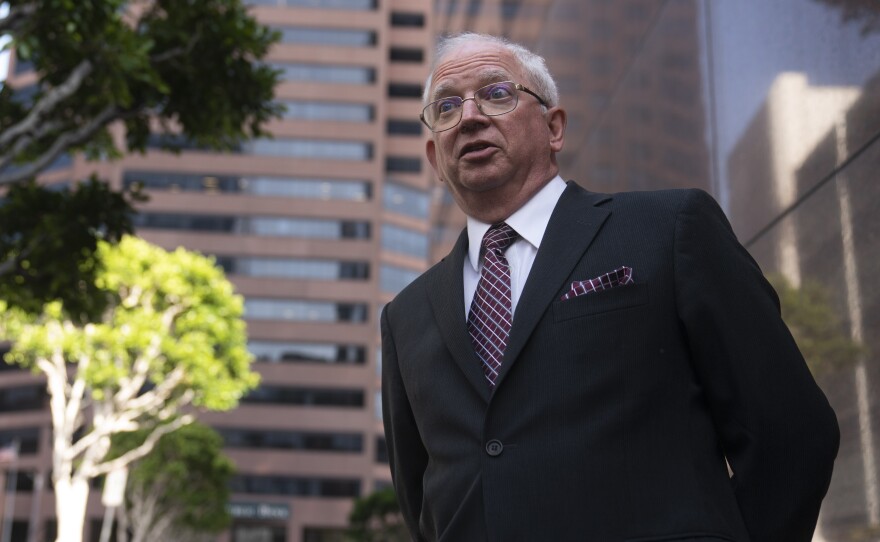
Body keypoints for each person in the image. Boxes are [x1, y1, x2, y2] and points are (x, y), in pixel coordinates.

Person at [380, 32, 839, 542]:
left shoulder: (669, 230)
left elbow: (792, 434)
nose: (468, 117)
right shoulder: (406, 317)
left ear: (554, 127)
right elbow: (422, 503)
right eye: (446, 106)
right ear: (433, 157)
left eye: (496, 93)